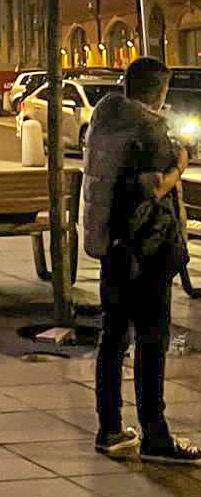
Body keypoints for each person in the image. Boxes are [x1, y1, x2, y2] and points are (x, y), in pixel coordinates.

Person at [83, 57, 200, 464]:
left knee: (113, 338)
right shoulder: (149, 129)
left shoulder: (103, 123)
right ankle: (156, 436)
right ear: (159, 90)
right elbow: (152, 187)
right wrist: (180, 164)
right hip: (148, 247)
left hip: (113, 244)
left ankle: (109, 428)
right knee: (152, 342)